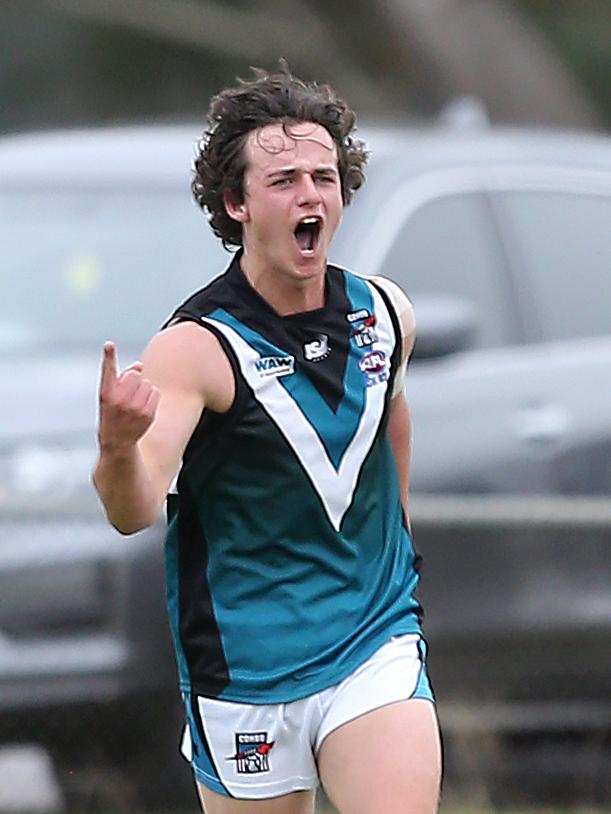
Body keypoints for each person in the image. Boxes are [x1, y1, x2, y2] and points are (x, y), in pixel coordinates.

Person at [93, 64, 442, 814]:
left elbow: (392, 415)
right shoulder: (196, 347)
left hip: (370, 640)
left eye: (323, 175)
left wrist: (399, 550)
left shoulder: (384, 314)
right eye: (282, 180)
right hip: (244, 670)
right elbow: (132, 507)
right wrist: (119, 447)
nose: (309, 193)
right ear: (236, 203)